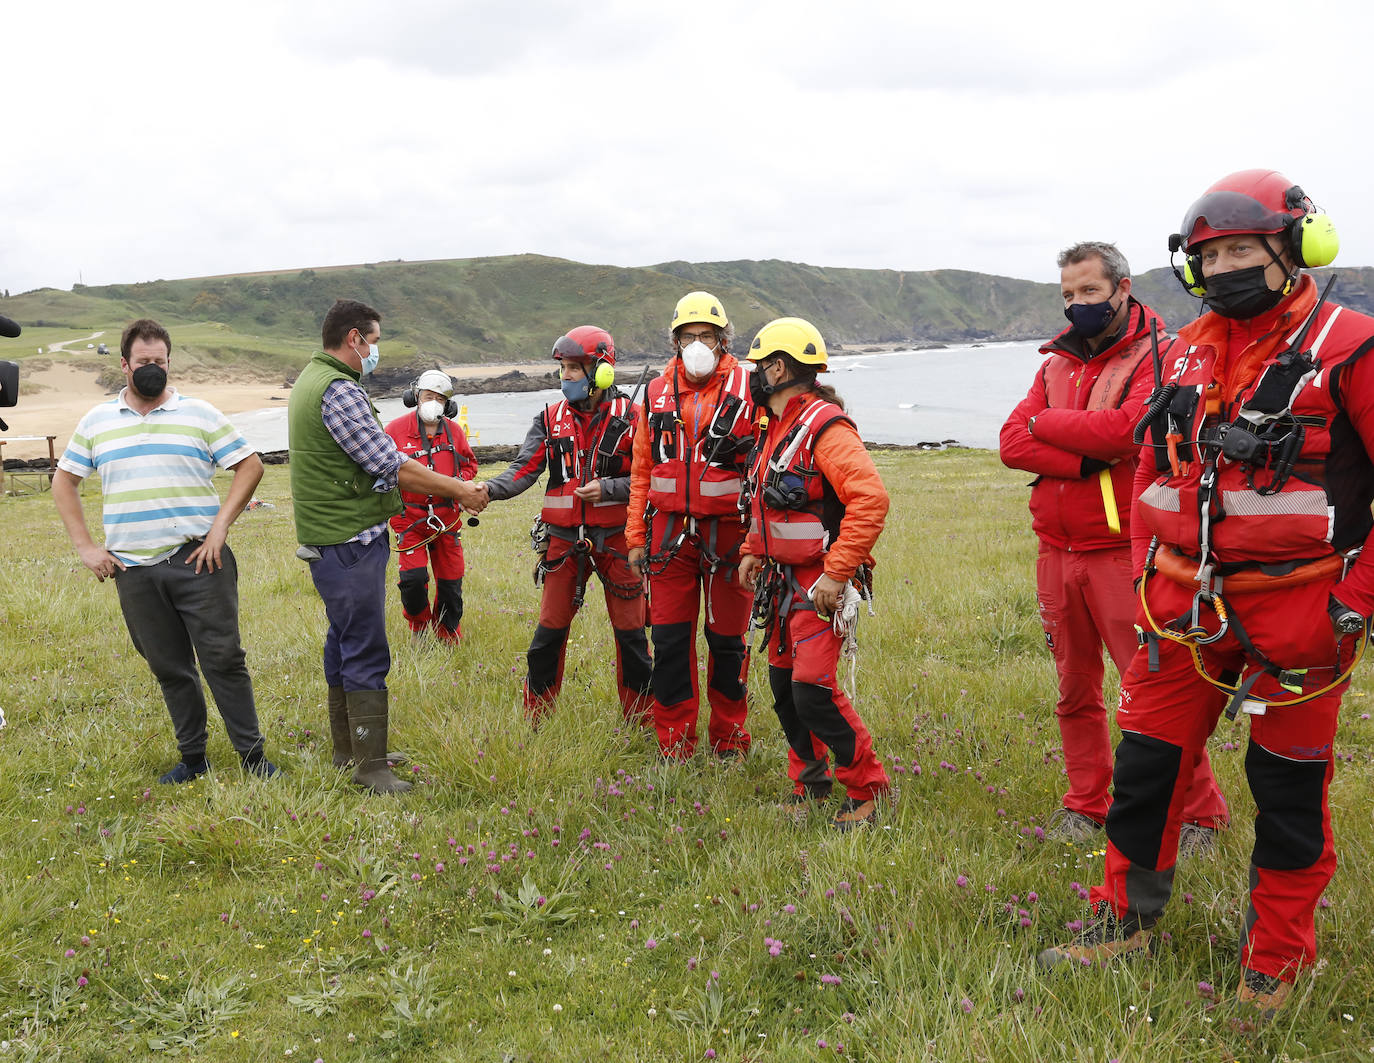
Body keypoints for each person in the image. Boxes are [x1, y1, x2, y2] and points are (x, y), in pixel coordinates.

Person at [1038, 170, 1373, 1020]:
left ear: (1291, 249)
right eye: (1208, 253)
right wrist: (1151, 567)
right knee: (1146, 770)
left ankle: (1277, 963)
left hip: (1301, 612)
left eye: (1239, 249)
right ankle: (1124, 921)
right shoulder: (1182, 349)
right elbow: (1155, 463)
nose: (1222, 265)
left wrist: (1357, 601)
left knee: (1288, 788)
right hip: (1182, 606)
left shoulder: (1351, 345)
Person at [1000, 242, 1228, 849]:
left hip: (1124, 549)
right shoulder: (1053, 363)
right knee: (1074, 689)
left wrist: (1046, 427)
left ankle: (1199, 815)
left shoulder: (1162, 352)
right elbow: (1009, 442)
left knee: (1155, 690)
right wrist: (1083, 457)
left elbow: (1130, 431)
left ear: (1122, 290)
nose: (1077, 305)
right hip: (1056, 550)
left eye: (1089, 293)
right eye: (1068, 295)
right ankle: (1087, 803)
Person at [52, 318, 278, 783]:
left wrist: (219, 530)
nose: (152, 369)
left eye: (160, 361)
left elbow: (250, 466)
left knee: (224, 661)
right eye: (143, 362)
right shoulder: (97, 421)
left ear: (170, 363)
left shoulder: (200, 413)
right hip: (133, 570)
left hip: (199, 561)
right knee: (170, 668)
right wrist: (86, 547)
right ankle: (193, 760)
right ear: (124, 365)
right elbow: (65, 481)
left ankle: (253, 758)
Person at [289, 299, 487, 794]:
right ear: (354, 338)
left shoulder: (312, 379)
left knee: (342, 637)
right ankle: (370, 767)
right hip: (348, 539)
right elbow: (390, 463)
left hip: (330, 536)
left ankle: (348, 749)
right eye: (374, 343)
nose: (375, 352)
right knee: (364, 646)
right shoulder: (338, 390)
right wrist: (461, 489)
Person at [738, 317, 890, 830]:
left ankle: (867, 790)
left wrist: (836, 573)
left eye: (758, 368)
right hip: (782, 582)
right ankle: (810, 784)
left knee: (812, 689)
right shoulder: (776, 430)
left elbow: (870, 499)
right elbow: (766, 503)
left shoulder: (825, 427)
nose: (754, 378)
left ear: (777, 368)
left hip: (818, 586)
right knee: (784, 688)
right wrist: (753, 551)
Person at [481, 326, 652, 726]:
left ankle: (641, 720)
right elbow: (523, 469)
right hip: (562, 544)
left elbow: (651, 477)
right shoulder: (548, 419)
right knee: (549, 634)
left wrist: (608, 487)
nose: (566, 377)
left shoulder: (633, 417)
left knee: (632, 638)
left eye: (575, 368)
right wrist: (487, 490)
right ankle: (536, 716)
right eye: (564, 369)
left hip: (618, 542)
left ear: (602, 371)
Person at [626, 292, 754, 759]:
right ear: (675, 341)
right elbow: (642, 469)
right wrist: (635, 538)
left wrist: (757, 543)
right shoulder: (657, 391)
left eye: (707, 336)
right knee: (670, 641)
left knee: (727, 643)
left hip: (729, 540)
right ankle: (674, 744)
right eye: (689, 336)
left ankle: (729, 740)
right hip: (667, 538)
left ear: (723, 340)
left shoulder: (750, 388)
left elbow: (762, 472)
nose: (697, 344)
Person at [383, 369, 478, 644]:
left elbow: (470, 464)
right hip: (409, 520)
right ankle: (419, 628)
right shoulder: (394, 430)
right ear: (416, 397)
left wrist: (460, 486)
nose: (433, 401)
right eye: (428, 396)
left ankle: (448, 633)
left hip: (447, 519)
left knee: (451, 582)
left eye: (440, 397)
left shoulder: (455, 433)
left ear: (448, 403)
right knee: (411, 579)